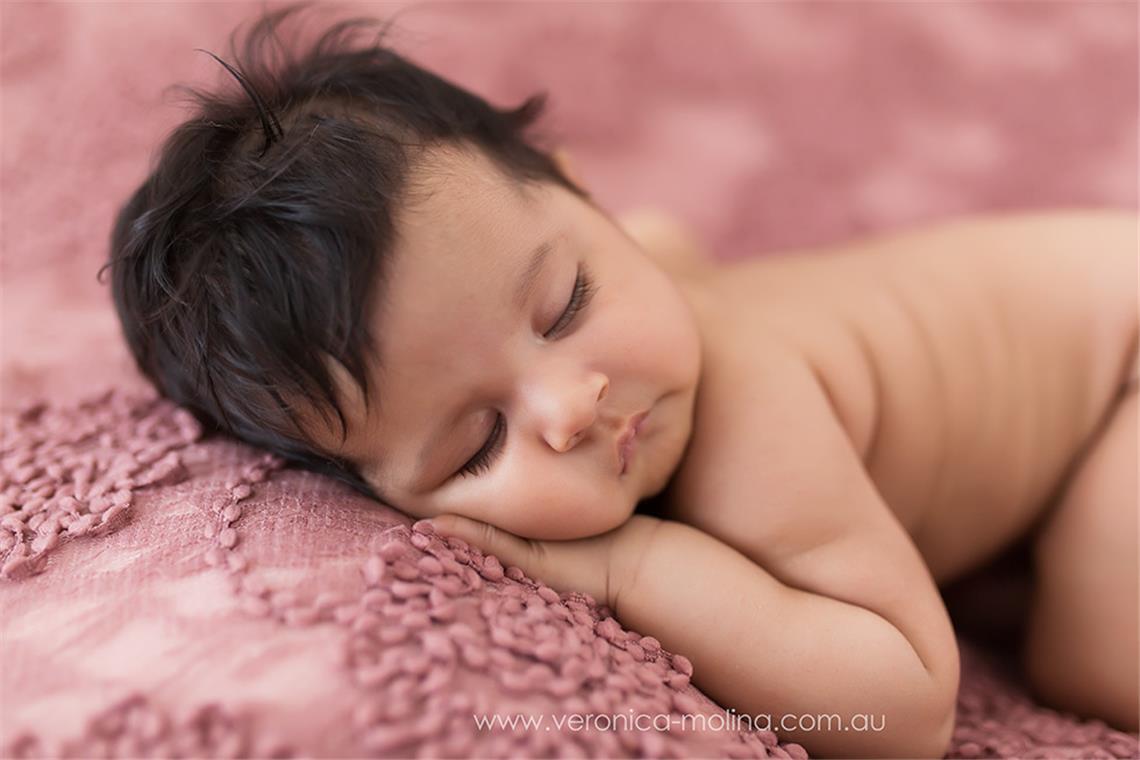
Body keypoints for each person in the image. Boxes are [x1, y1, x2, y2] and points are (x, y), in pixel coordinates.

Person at [103, 5, 1138, 757]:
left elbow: (903, 711)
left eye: (565, 305)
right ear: (371, 491)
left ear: (588, 197)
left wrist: (631, 570)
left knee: (1091, 660)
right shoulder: (629, 278)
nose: (570, 405)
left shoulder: (752, 415)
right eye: (478, 444)